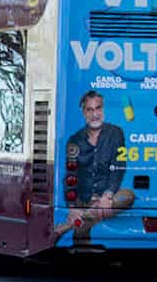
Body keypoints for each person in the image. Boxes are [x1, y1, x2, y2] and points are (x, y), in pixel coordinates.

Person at [57, 90, 135, 242]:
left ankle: (68, 226)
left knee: (128, 195)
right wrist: (73, 208)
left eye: (98, 108)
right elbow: (69, 177)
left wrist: (107, 195)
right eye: (89, 110)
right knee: (81, 235)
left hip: (108, 199)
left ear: (103, 110)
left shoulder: (116, 133)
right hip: (83, 199)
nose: (95, 114)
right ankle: (81, 220)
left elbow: (118, 167)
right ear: (83, 112)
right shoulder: (75, 140)